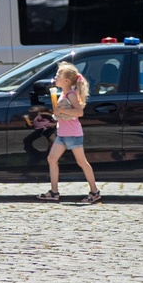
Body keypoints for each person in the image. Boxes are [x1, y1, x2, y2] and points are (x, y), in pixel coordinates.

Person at [36, 62, 100, 204]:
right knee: (52, 159)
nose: (55, 77)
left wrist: (61, 111)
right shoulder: (64, 93)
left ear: (66, 81)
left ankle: (94, 192)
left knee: (82, 162)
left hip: (73, 134)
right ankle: (54, 192)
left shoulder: (71, 94)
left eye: (58, 75)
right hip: (63, 133)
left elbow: (79, 112)